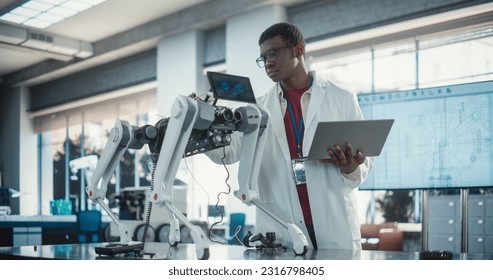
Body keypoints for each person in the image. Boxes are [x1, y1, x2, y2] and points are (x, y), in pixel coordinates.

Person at [206, 22, 372, 251]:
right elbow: (228, 152)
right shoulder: (258, 109)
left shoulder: (341, 98)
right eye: (263, 58)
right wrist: (199, 125)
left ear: (299, 49)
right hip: (283, 227)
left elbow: (363, 163)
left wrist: (350, 167)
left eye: (273, 53)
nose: (268, 63)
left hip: (334, 223)